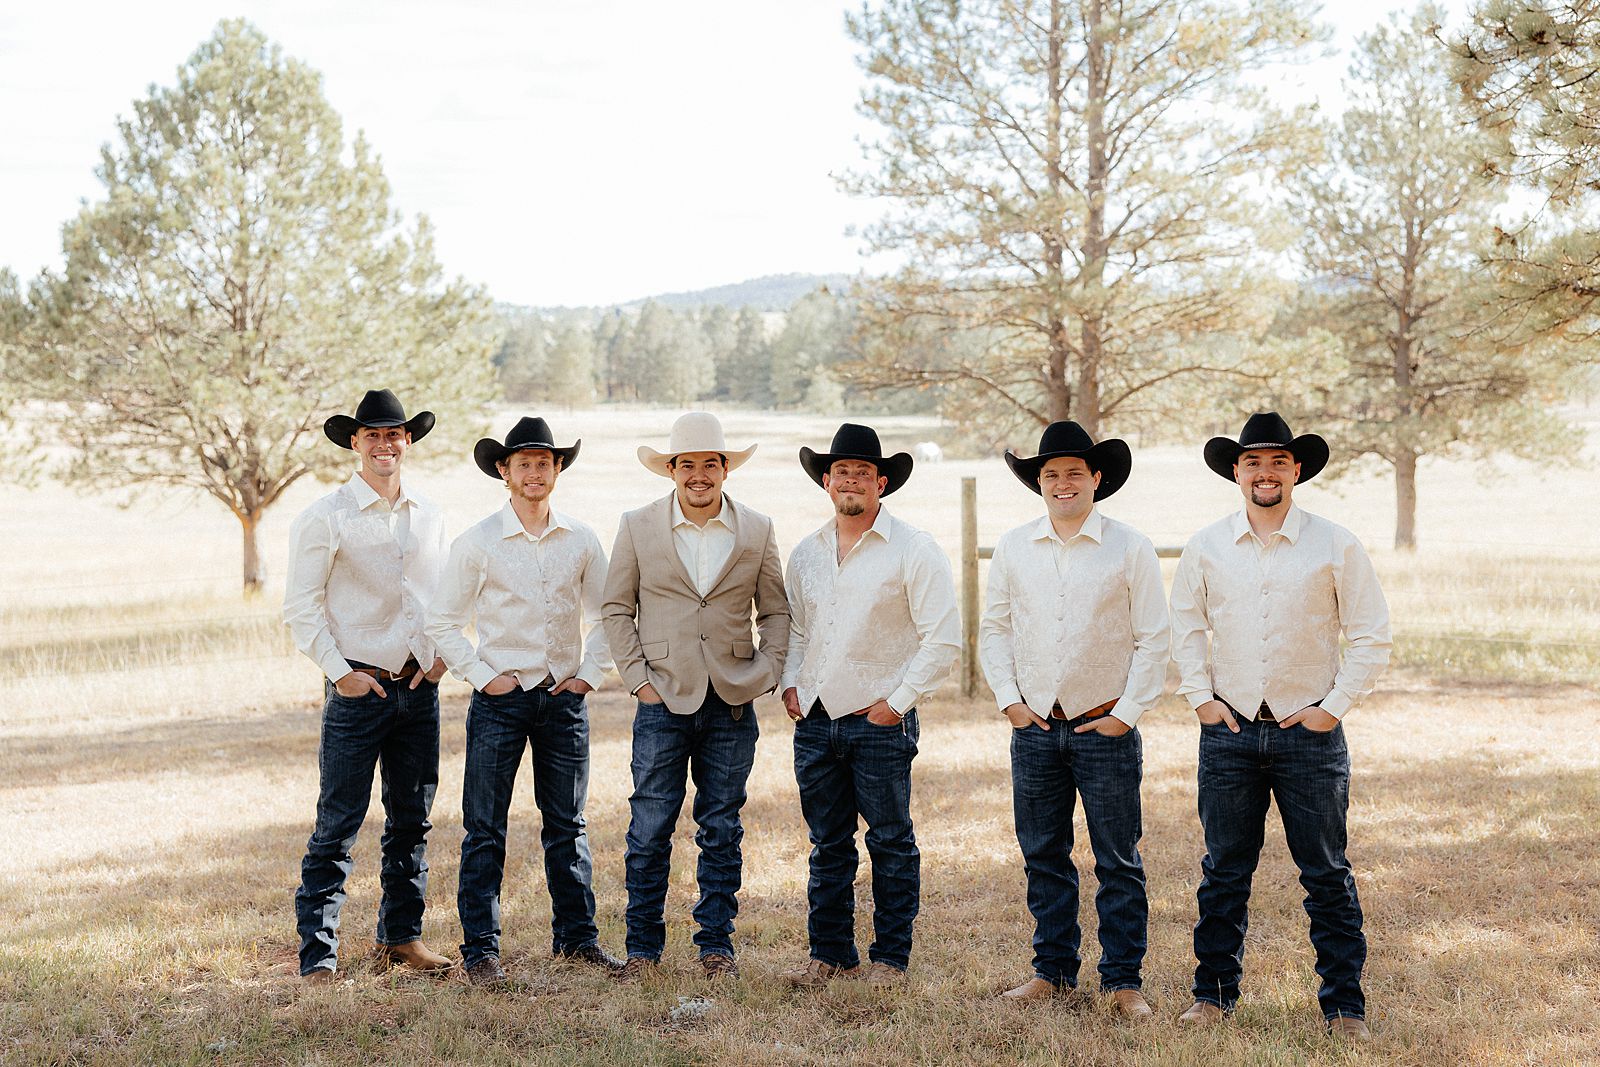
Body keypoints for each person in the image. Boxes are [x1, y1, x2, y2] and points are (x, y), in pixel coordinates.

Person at [1169, 412, 1391, 1042]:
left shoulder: (1335, 543)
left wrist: (1333, 706)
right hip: (1230, 733)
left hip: (1309, 737)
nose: (1264, 474)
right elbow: (1184, 628)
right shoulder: (1207, 544)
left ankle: (1344, 1006)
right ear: (1236, 472)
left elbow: (1372, 636)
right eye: (1252, 463)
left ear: (1296, 470)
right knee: (1224, 870)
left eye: (1277, 462)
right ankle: (1212, 996)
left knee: (1325, 872)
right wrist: (1201, 700)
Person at [425, 417, 622, 987]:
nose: (534, 473)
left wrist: (588, 674)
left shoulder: (581, 539)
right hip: (500, 702)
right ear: (504, 473)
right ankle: (481, 950)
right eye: (523, 464)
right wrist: (483, 677)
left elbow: (607, 613)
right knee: (484, 827)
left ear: (557, 471)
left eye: (544, 463)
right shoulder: (479, 541)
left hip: (562, 701)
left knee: (568, 824)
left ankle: (578, 939)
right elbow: (442, 621)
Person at [980, 421, 1168, 1016]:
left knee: (1117, 857)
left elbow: (1153, 640)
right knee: (1043, 852)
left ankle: (1122, 982)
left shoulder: (1128, 546)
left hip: (1103, 724)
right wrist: (1010, 700)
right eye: (1052, 474)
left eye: (1074, 473)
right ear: (1040, 482)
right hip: (1034, 726)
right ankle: (1053, 970)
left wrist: (1128, 713)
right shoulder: (1014, 546)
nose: (1063, 483)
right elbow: (996, 630)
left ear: (1097, 478)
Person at [601, 412, 789, 981]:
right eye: (688, 465)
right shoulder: (637, 526)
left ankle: (716, 947)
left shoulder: (756, 529)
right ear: (672, 471)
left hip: (732, 703)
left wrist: (768, 667)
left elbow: (776, 610)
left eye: (711, 464)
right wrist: (639, 681)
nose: (699, 475)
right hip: (662, 700)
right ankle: (642, 950)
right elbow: (616, 608)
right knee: (649, 828)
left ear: (726, 469)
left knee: (722, 827)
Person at [778, 423, 959, 988]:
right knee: (827, 844)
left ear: (881, 483)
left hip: (879, 721)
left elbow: (944, 638)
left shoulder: (914, 548)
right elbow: (800, 631)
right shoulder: (807, 553)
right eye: (840, 472)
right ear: (826, 482)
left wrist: (898, 703)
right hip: (815, 721)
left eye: (863, 472)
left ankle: (889, 959)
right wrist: (792, 683)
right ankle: (830, 953)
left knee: (889, 841)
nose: (850, 480)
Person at [282, 388, 451, 982]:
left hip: (419, 692)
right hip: (359, 693)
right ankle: (318, 956)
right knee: (339, 823)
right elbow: (301, 609)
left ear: (408, 441)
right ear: (355, 442)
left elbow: (441, 599)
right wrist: (341, 674)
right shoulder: (325, 517)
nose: (385, 444)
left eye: (395, 434)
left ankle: (401, 938)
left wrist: (438, 659)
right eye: (373, 435)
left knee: (412, 820)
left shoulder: (430, 514)